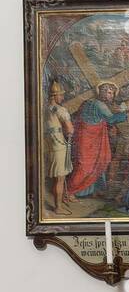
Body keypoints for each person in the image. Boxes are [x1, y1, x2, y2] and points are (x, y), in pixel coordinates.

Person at [67, 83, 128, 199]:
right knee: (86, 166)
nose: (112, 96)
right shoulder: (99, 105)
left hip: (89, 138)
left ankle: (93, 190)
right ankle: (70, 191)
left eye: (113, 93)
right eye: (109, 93)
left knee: (98, 162)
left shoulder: (89, 102)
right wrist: (125, 114)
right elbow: (111, 119)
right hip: (88, 140)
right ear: (102, 92)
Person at [45, 80, 74, 213]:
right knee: (60, 178)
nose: (62, 97)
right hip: (59, 145)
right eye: (61, 95)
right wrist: (69, 133)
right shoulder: (61, 110)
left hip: (48, 144)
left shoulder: (45, 108)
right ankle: (58, 207)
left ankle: (60, 202)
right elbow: (69, 129)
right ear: (54, 96)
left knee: (57, 177)